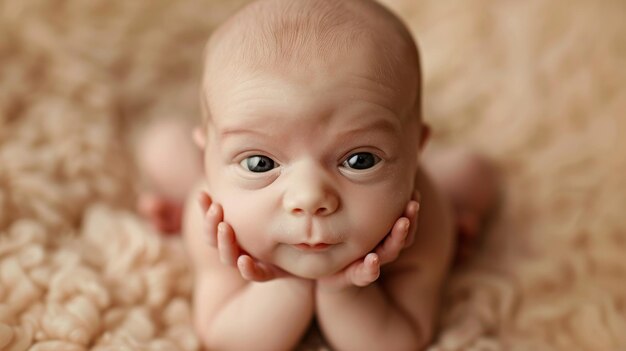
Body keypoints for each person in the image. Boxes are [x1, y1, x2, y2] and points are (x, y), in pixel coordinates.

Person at [135, 0, 499, 349]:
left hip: (419, 205)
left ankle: (458, 209)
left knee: (472, 174)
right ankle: (192, 183)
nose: (309, 198)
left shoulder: (424, 222)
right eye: (259, 163)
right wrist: (289, 284)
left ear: (415, 150)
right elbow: (226, 338)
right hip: (225, 195)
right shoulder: (217, 223)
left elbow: (401, 339)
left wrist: (340, 289)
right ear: (211, 157)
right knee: (161, 147)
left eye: (359, 160)